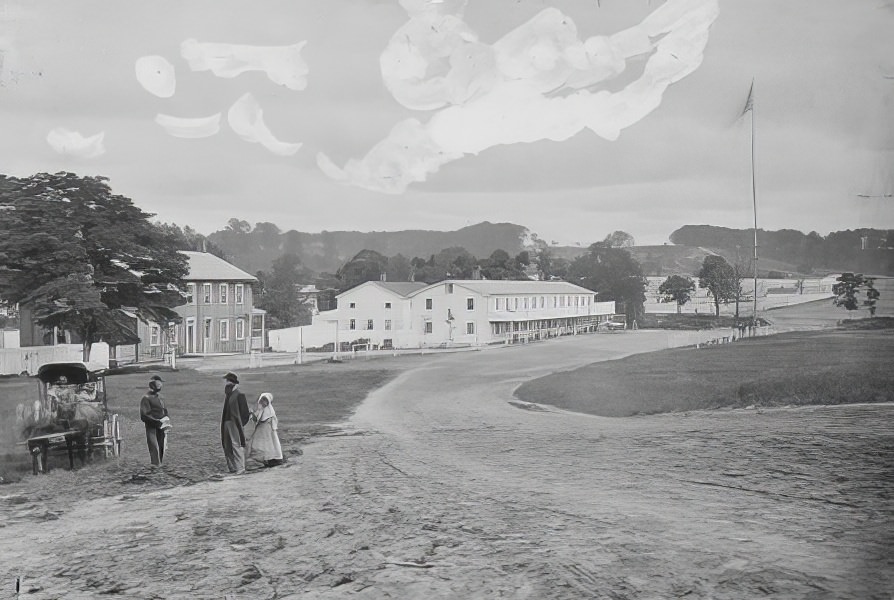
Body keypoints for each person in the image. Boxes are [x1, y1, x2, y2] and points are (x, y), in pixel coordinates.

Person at [220, 372, 250, 474]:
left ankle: (240, 468)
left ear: (232, 383)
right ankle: (232, 467)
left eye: (228, 381)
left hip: (235, 424)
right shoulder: (228, 395)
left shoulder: (239, 395)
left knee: (236, 445)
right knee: (227, 445)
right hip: (226, 423)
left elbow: (245, 413)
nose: (226, 383)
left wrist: (240, 424)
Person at [140, 375, 170, 467]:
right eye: (158, 384)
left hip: (162, 426)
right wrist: (157, 421)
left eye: (160, 384)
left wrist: (166, 419)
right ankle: (155, 466)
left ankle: (160, 465)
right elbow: (144, 415)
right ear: (153, 385)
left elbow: (164, 410)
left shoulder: (161, 397)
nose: (160, 386)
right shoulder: (146, 398)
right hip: (152, 428)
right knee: (154, 448)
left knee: (162, 447)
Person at [247, 393, 283, 468]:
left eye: (265, 400)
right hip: (261, 429)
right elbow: (256, 418)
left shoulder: (270, 411)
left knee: (269, 444)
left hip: (267, 430)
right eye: (262, 400)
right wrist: (251, 414)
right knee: (257, 444)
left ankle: (271, 459)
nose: (263, 402)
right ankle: (264, 458)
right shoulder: (260, 409)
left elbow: (268, 420)